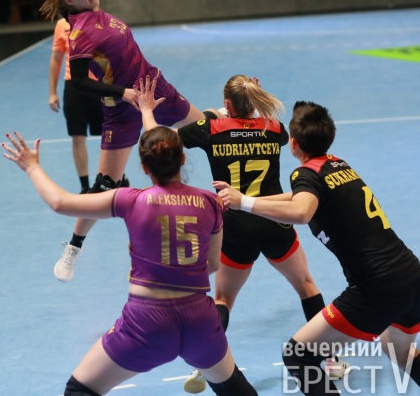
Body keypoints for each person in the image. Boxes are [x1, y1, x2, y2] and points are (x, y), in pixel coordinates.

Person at [214, 101, 420, 396]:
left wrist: (244, 202)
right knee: (401, 352)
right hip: (411, 275)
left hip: (375, 287)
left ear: (293, 144)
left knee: (298, 355)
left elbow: (302, 211)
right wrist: (244, 201)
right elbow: (299, 197)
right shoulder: (337, 164)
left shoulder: (304, 174)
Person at [2, 127, 258, 396]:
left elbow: (60, 203)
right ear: (182, 159)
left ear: (144, 168)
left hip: (147, 322)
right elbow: (213, 264)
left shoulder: (131, 200)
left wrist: (31, 166)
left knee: (79, 390)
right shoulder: (210, 202)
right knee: (234, 389)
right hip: (199, 320)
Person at [138, 75, 349, 393]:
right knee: (306, 286)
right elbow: (264, 123)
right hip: (274, 220)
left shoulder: (209, 129)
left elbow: (159, 142)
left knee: (223, 299)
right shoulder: (274, 129)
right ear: (254, 101)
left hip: (234, 226)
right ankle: (330, 360)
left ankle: (203, 364)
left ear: (226, 104)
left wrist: (146, 109)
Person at [27, 0, 206, 282]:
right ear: (70, 1)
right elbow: (80, 81)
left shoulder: (91, 8)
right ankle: (74, 246)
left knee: (207, 130)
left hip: (154, 88)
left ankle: (239, 202)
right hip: (122, 108)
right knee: (105, 185)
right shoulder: (78, 33)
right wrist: (123, 93)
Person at [49, 16, 127, 193]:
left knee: (109, 134)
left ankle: (117, 176)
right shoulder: (61, 25)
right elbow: (56, 58)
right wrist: (52, 92)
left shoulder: (100, 21)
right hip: (73, 86)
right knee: (77, 136)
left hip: (99, 85)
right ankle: (84, 186)